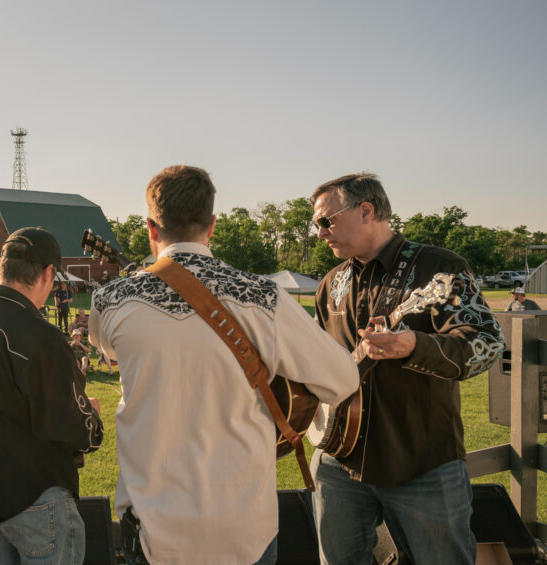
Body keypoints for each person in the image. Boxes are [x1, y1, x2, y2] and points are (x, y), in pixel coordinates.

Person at [90, 165, 358, 564]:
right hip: (244, 525)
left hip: (151, 526)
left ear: (150, 228)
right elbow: (342, 380)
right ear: (212, 225)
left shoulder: (109, 300)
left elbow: (107, 350)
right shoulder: (264, 296)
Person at [309, 172, 505, 564]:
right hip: (338, 462)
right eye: (316, 224)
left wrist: (416, 345)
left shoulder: (438, 267)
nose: (319, 232)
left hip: (423, 462)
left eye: (325, 221)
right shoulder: (331, 283)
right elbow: (316, 362)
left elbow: (486, 343)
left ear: (366, 211)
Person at [0, 227, 104, 564]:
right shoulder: (41, 337)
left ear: (2, 268)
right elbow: (81, 431)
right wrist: (92, 419)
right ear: (47, 274)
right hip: (37, 498)